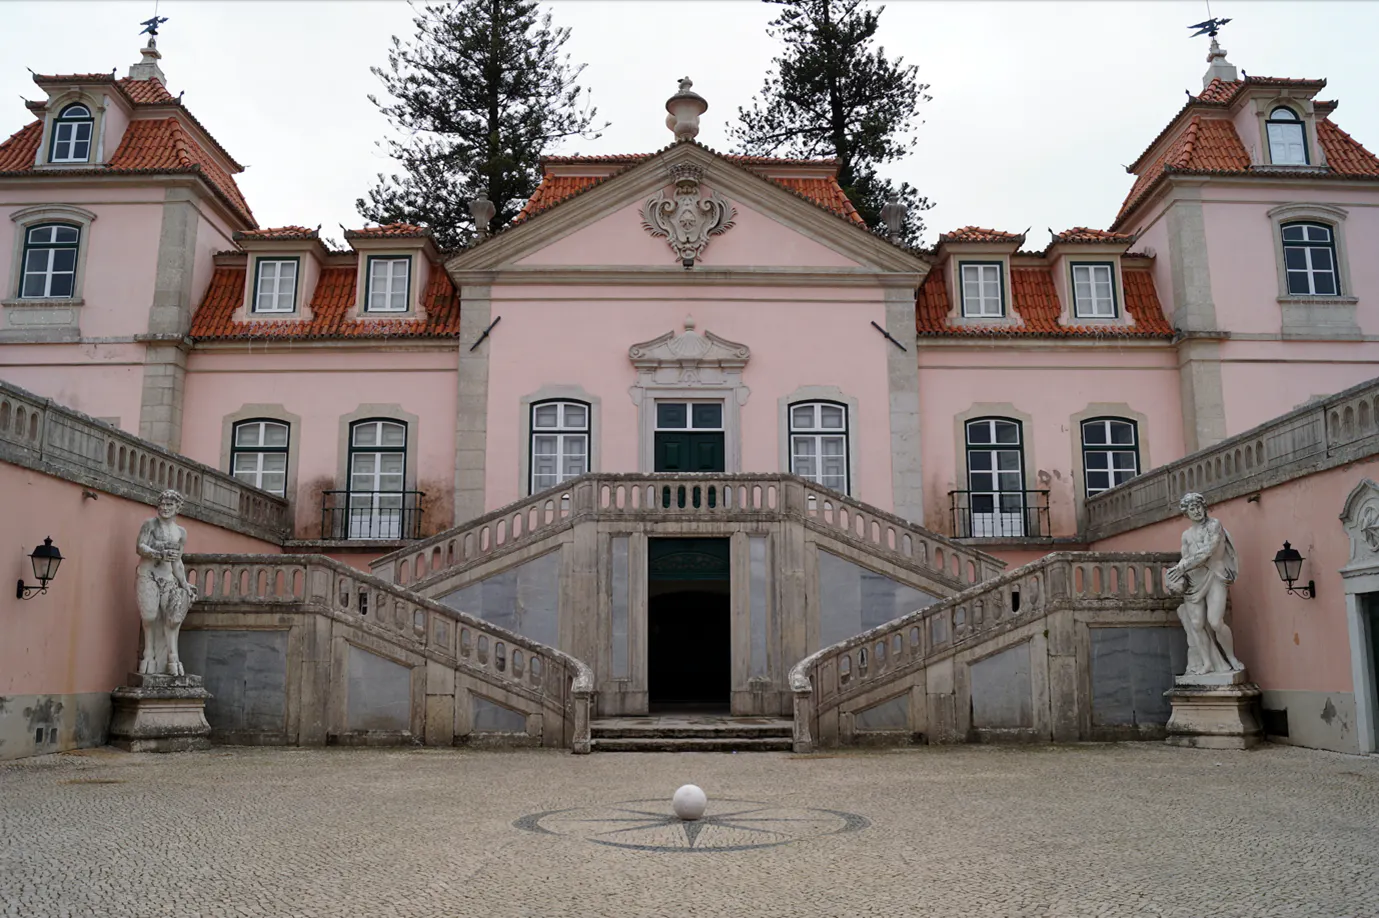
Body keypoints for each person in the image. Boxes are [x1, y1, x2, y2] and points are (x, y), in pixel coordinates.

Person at [1165, 492, 1243, 676]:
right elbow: (1185, 558)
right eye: (1192, 508)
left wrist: (1182, 566)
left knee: (1215, 622)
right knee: (1196, 623)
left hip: (1215, 574)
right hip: (1194, 581)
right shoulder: (1186, 535)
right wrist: (1177, 580)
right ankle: (1207, 662)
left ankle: (1231, 657)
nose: (1197, 511)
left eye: (1198, 506)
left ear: (1204, 507)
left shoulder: (1214, 525)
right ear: (1186, 513)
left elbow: (1207, 551)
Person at [134, 489, 197, 676]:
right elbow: (139, 547)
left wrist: (184, 583)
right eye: (162, 504)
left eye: (169, 505)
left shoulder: (180, 532)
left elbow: (178, 561)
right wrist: (157, 553)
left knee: (172, 617)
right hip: (148, 574)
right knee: (150, 616)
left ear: (178, 507)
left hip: (168, 577)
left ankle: (172, 658)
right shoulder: (150, 525)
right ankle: (148, 655)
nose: (165, 508)